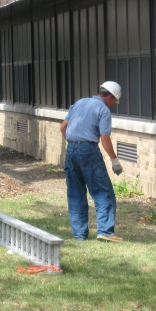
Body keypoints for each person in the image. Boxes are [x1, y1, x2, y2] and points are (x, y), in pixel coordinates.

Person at [60, 81, 124, 242]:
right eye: (114, 102)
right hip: (88, 150)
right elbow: (104, 138)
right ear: (109, 97)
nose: (112, 105)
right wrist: (114, 160)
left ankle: (79, 234)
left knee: (75, 193)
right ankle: (105, 231)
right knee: (103, 191)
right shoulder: (103, 109)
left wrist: (74, 144)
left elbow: (63, 128)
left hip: (71, 150)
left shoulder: (79, 103)